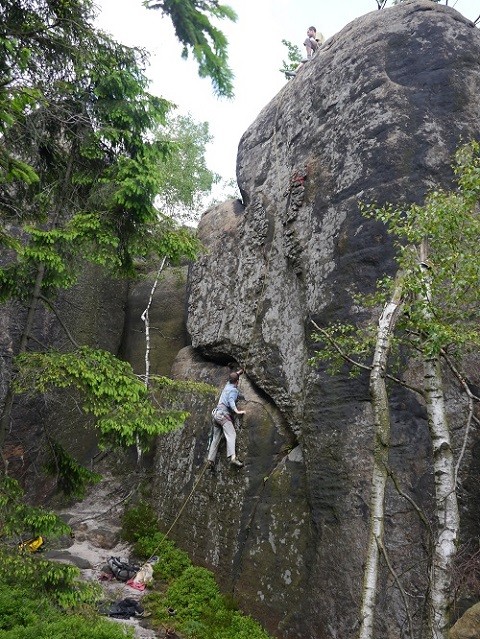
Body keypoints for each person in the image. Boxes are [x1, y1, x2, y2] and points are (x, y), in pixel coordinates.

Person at [207, 368, 246, 469]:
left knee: (216, 438)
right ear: (237, 382)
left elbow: (234, 376)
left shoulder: (227, 385)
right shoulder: (233, 390)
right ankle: (233, 458)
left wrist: (240, 371)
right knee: (231, 434)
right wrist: (237, 411)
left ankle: (210, 460)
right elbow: (231, 401)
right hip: (223, 416)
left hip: (216, 415)